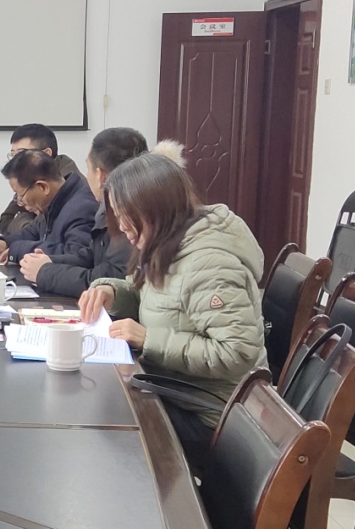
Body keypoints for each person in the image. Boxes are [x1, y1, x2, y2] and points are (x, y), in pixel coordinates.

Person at [78, 152, 267, 470]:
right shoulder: (170, 241)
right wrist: (112, 292)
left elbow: (237, 351)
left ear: (157, 209)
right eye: (118, 215)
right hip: (173, 389)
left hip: (212, 415)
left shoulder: (210, 265)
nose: (122, 226)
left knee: (105, 431)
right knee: (99, 408)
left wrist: (149, 339)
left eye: (128, 216)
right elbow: (154, 296)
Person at [18, 129, 161, 296]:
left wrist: (45, 273)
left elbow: (112, 276)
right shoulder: (107, 207)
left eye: (88, 168)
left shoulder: (131, 216)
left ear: (100, 175)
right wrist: (49, 261)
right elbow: (92, 255)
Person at [0, 149, 95, 265]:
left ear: (43, 187)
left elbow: (76, 255)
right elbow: (33, 232)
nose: (20, 203)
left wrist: (19, 250)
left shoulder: (82, 208)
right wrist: (6, 242)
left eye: (21, 195)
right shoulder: (54, 201)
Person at [0, 124, 80, 236]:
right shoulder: (27, 179)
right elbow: (6, 220)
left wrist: (28, 226)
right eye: (13, 155)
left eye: (21, 153)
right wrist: (28, 225)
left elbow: (44, 233)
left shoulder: (65, 185)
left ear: (46, 154)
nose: (16, 160)